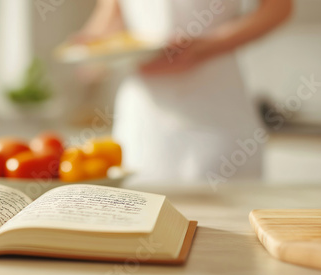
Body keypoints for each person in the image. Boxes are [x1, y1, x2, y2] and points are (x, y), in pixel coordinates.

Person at [73, 0, 292, 185]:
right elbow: (107, 24)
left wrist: (206, 47)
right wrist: (88, 54)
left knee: (224, 227)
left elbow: (278, 8)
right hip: (144, 125)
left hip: (218, 114)